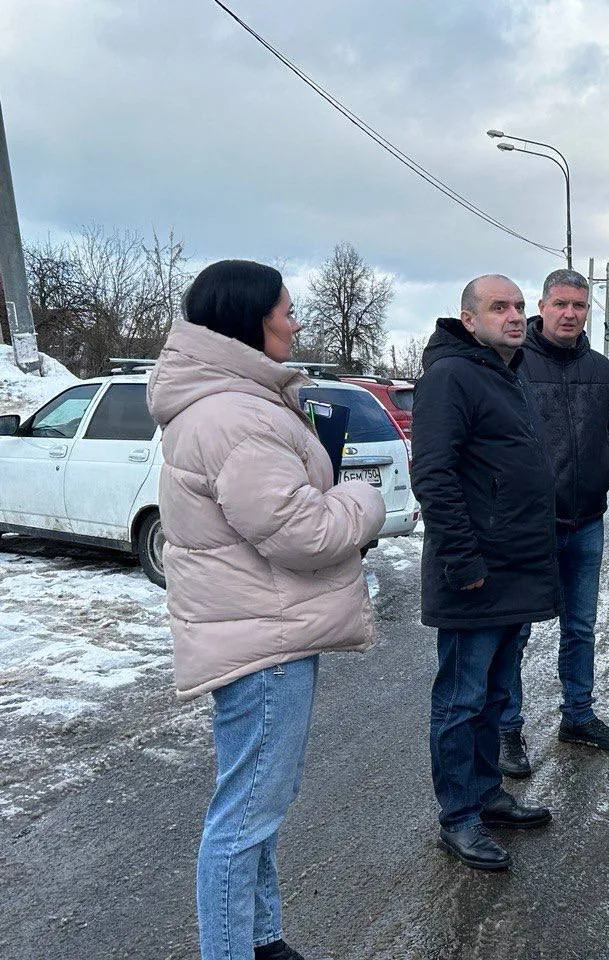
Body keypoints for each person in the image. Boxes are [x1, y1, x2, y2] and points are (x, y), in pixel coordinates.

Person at [147, 259, 386, 960]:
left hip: (258, 631)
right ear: (251, 319)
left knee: (254, 810)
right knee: (243, 819)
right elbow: (302, 534)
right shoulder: (236, 416)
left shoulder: (234, 403)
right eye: (286, 308)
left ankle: (261, 938)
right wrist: (361, 502)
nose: (296, 318)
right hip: (264, 645)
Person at [412, 274, 559, 871]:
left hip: (517, 568)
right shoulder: (450, 375)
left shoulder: (507, 372)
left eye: (521, 306)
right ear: (468, 319)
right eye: (500, 307)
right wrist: (463, 558)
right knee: (462, 699)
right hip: (476, 571)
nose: (516, 315)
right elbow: (434, 474)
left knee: (496, 696)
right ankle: (459, 817)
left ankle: (487, 795)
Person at [496, 268, 609, 779]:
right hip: (532, 524)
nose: (570, 313)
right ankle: (508, 728)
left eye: (579, 305)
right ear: (542, 305)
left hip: (587, 519)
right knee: (518, 630)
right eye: (561, 304)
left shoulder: (601, 368)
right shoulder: (514, 361)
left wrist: (606, 469)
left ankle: (578, 715)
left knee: (580, 627)